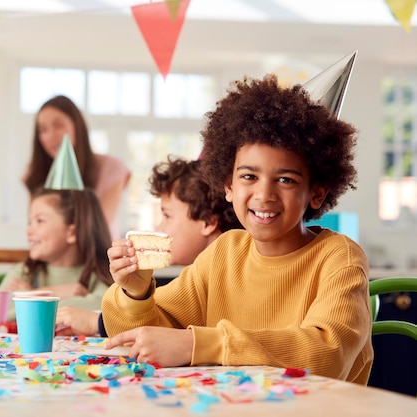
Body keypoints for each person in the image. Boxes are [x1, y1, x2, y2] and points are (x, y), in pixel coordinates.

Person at [102, 74, 374, 385]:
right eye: (248, 176)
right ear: (229, 185)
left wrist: (204, 344)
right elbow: (147, 334)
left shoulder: (340, 258)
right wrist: (135, 293)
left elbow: (328, 353)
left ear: (316, 192)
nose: (264, 194)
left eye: (285, 179)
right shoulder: (225, 251)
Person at [55, 156, 243, 336]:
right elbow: (160, 317)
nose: (159, 228)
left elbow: (168, 327)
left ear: (208, 222)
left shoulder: (227, 273)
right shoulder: (191, 275)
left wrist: (96, 322)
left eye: (167, 216)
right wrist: (135, 293)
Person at [0, 187, 114, 321]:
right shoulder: (25, 271)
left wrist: (28, 300)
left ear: (71, 232)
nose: (29, 230)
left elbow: (108, 308)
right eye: (30, 222)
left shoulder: (102, 273)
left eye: (40, 221)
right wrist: (52, 292)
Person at [23, 95, 130, 239]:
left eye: (58, 126)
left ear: (77, 126)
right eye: (43, 130)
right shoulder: (34, 171)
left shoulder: (111, 168)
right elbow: (36, 229)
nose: (51, 136)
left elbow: (99, 229)